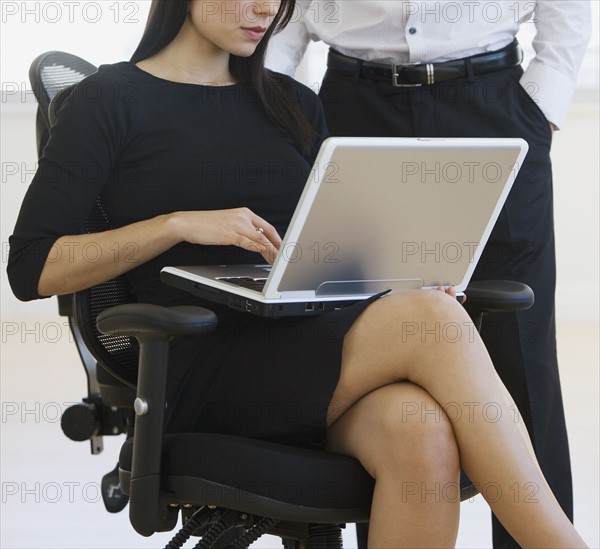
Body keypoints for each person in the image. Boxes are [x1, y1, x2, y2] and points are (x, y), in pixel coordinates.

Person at [7, 0, 589, 547]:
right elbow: (32, 267)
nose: (267, 9)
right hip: (204, 364)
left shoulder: (291, 103)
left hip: (304, 351)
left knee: (422, 428)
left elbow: (325, 252)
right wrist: (176, 225)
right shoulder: (105, 99)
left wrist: (396, 279)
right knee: (434, 321)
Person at [266, 1, 592, 547]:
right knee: (379, 339)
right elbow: (283, 13)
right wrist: (272, 106)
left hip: (492, 103)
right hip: (354, 105)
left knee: (522, 347)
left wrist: (542, 106)